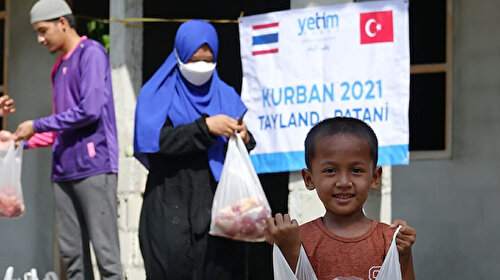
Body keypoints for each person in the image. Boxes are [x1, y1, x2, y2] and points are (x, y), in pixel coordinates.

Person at [134, 20, 256, 280]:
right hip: (169, 204)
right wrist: (205, 127)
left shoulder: (225, 95)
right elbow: (154, 142)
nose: (200, 66)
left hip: (218, 207)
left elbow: (242, 143)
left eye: (207, 60)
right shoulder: (156, 94)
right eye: (193, 59)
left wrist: (244, 136)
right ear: (179, 54)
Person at [14, 0, 122, 279]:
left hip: (95, 167)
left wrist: (36, 125)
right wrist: (16, 143)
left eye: (43, 30)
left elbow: (90, 110)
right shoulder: (57, 68)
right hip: (63, 171)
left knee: (106, 257)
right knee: (72, 258)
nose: (40, 39)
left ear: (62, 22)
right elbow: (56, 129)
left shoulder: (92, 54)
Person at [265, 117, 416, 280]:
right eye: (330, 170)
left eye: (356, 170)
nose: (344, 182)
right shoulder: (298, 239)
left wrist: (404, 254)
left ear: (374, 178)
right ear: (309, 179)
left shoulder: (388, 240)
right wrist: (289, 249)